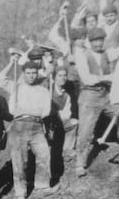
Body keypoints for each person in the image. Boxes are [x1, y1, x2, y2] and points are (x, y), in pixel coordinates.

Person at [0, 58, 59, 199]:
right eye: (28, 73)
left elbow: (45, 111)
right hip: (19, 127)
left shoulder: (43, 90)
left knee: (44, 154)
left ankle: (42, 186)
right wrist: (12, 62)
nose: (31, 76)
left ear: (38, 74)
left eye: (34, 73)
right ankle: (20, 193)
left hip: (37, 127)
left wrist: (25, 110)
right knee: (20, 161)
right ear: (23, 74)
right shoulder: (16, 88)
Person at [74, 28, 119, 177]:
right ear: (90, 41)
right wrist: (108, 77)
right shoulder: (83, 56)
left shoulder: (107, 53)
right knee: (85, 131)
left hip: (106, 95)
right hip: (90, 95)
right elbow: (87, 79)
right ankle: (80, 163)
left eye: (101, 40)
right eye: (95, 40)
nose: (99, 43)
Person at [50, 67, 78, 163]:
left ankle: (67, 150)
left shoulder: (67, 95)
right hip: (47, 124)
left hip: (59, 122)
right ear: (54, 78)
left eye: (64, 75)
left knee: (74, 122)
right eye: (60, 75)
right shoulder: (49, 91)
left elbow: (67, 114)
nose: (63, 78)